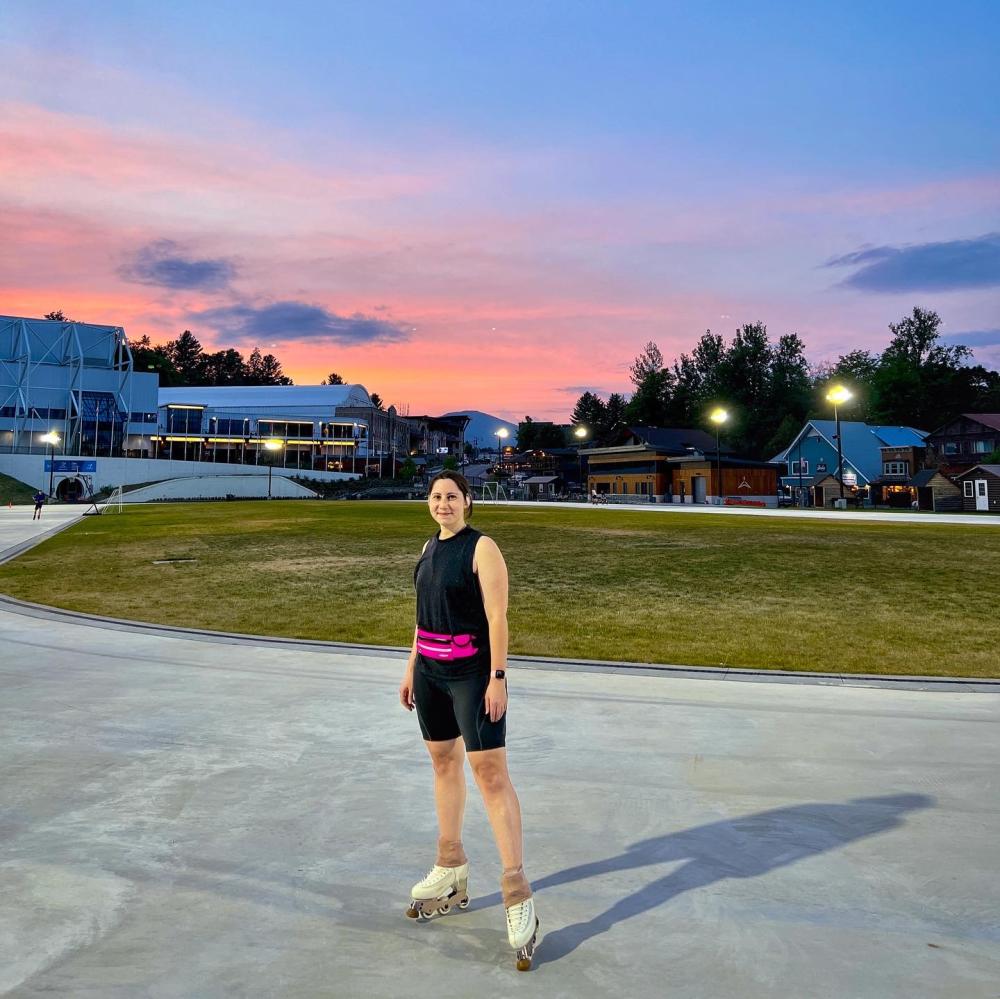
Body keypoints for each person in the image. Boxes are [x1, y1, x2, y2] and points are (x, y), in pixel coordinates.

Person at [399, 470, 539, 971]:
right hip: (432, 672)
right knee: (442, 763)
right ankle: (450, 864)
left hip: (473, 673)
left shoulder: (483, 549)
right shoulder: (428, 546)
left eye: (451, 497)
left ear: (468, 501)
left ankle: (516, 888)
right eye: (435, 497)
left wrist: (498, 677)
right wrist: (412, 665)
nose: (442, 504)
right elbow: (422, 615)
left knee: (490, 774)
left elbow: (498, 617)